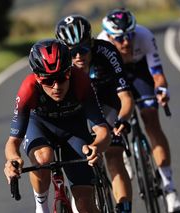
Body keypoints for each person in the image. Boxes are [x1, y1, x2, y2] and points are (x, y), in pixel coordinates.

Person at [3, 39, 111, 213]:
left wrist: (96, 147)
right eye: (48, 81)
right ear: (37, 78)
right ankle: (41, 206)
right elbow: (13, 141)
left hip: (73, 128)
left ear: (69, 71)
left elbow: (102, 130)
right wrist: (12, 160)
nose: (56, 86)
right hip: (40, 125)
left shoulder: (81, 81)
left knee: (85, 205)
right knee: (43, 157)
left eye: (62, 78)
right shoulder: (28, 89)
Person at [98, 8, 180, 213]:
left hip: (139, 73)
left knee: (152, 121)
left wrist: (162, 90)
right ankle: (125, 154)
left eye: (129, 36)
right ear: (109, 36)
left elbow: (157, 73)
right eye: (119, 38)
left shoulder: (144, 35)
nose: (126, 42)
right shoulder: (101, 45)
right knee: (115, 119)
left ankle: (170, 188)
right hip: (113, 79)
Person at [55, 15, 134, 213]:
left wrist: (121, 120)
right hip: (80, 107)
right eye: (72, 52)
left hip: (107, 100)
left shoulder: (107, 52)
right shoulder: (58, 63)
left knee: (114, 153)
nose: (78, 57)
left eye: (82, 49)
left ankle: (124, 208)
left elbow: (125, 97)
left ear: (91, 44)